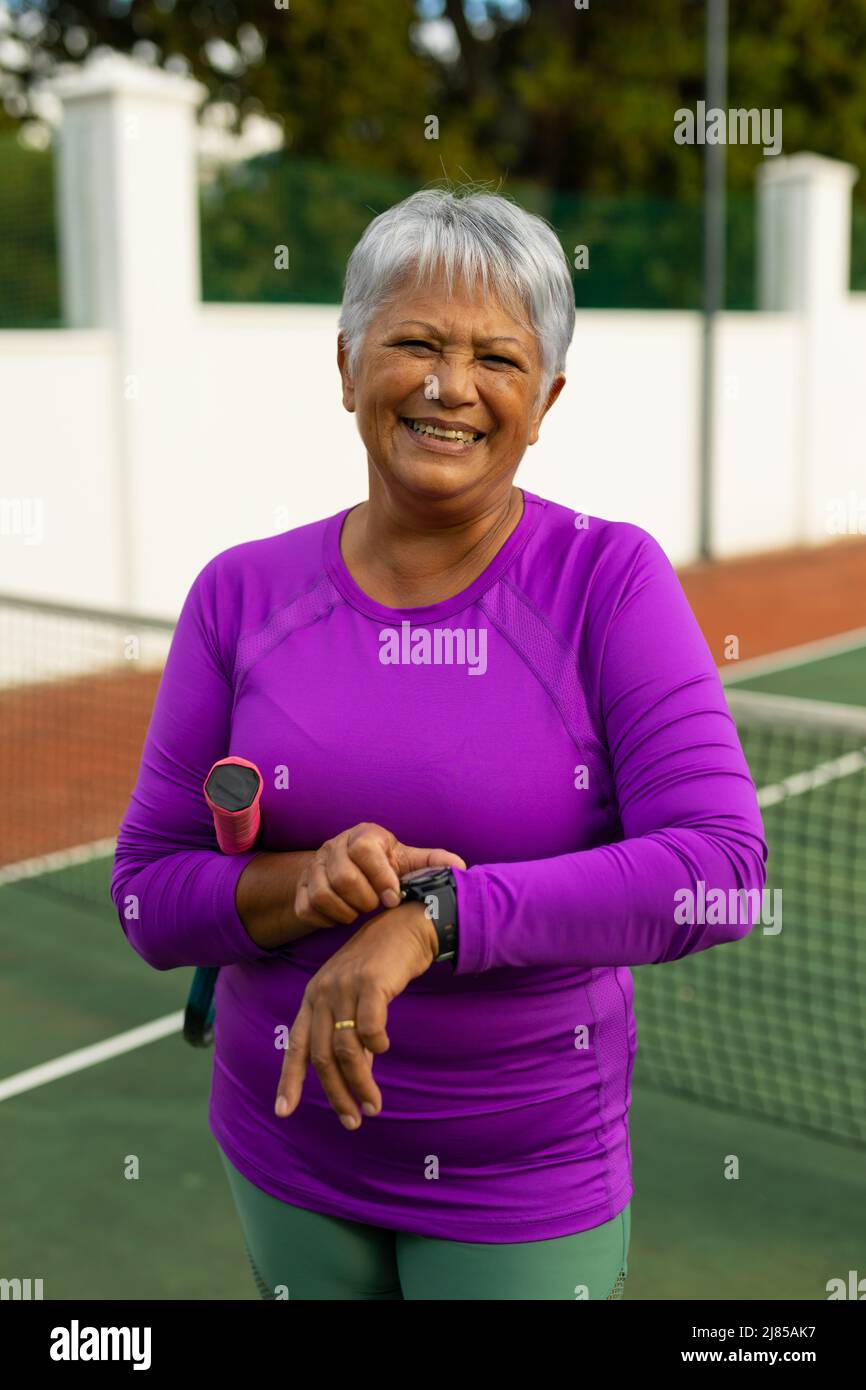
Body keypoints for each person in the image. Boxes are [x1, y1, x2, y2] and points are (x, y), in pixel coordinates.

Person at [110, 184, 767, 1301]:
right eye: (412, 341)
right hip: (283, 1154)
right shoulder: (237, 594)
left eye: (496, 359)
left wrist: (430, 922)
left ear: (544, 395)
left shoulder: (608, 582)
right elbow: (149, 897)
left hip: (521, 1183)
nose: (449, 385)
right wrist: (304, 883)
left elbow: (717, 871)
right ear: (345, 365)